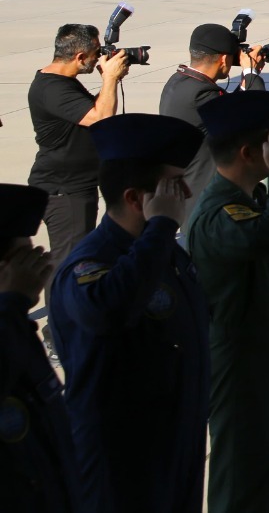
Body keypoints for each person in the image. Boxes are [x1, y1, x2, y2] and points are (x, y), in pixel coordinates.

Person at [49, 114, 208, 513]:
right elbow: (110, 309)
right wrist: (158, 229)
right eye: (174, 185)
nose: (186, 192)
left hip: (173, 444)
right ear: (138, 199)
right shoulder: (90, 265)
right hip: (124, 465)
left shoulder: (164, 252)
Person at [188, 89, 269, 513]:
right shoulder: (221, 215)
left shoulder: (250, 200)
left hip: (266, 361)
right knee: (243, 480)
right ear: (249, 153)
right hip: (240, 371)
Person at [28, 24, 128, 303]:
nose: (100, 58)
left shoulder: (62, 81)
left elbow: (95, 111)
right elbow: (102, 119)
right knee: (69, 262)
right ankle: (59, 328)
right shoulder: (53, 89)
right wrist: (109, 79)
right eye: (96, 53)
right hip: (64, 190)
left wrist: (112, 81)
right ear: (80, 57)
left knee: (76, 256)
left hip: (73, 186)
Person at [0, 182, 83, 510]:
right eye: (26, 259)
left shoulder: (13, 325)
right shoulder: (9, 321)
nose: (38, 270)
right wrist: (12, 304)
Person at [158, 22, 269, 209]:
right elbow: (252, 114)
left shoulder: (179, 81)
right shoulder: (200, 94)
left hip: (189, 193)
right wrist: (249, 72)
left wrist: (250, 74)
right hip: (206, 201)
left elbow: (229, 108)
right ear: (224, 60)